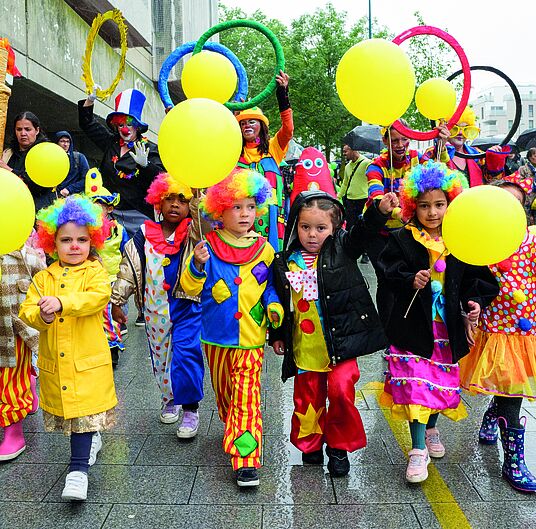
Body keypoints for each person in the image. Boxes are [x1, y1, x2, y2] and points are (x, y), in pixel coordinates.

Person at [378, 161, 498, 483]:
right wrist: (409, 278)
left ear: (451, 204)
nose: (432, 212)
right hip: (412, 327)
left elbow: (477, 278)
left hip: (447, 327)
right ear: (411, 205)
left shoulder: (459, 240)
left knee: (438, 383)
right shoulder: (402, 238)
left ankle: (431, 429)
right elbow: (387, 271)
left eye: (439, 204)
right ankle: (418, 450)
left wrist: (475, 302)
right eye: (424, 205)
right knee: (416, 385)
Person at [269, 190, 393, 476]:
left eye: (321, 228)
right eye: (305, 227)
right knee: (307, 398)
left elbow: (362, 232)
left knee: (341, 393)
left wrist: (378, 212)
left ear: (335, 229)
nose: (312, 234)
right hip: (305, 347)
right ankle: (310, 443)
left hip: (341, 344)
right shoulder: (285, 260)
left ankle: (338, 446)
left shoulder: (343, 250)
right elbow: (281, 302)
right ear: (295, 226)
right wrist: (277, 335)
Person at [180, 168, 283, 488]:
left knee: (247, 397)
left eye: (250, 206)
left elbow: (269, 286)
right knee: (226, 396)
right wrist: (197, 264)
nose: (245, 213)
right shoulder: (207, 246)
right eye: (237, 207)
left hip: (251, 336)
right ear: (220, 210)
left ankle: (246, 459)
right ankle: (232, 423)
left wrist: (274, 306)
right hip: (216, 337)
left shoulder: (265, 249)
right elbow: (189, 287)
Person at [19, 195, 117, 501]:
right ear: (52, 243)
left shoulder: (94, 272)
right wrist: (43, 316)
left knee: (82, 414)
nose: (75, 246)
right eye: (66, 240)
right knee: (76, 417)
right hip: (58, 364)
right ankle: (91, 442)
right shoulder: (43, 278)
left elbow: (96, 298)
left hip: (86, 362)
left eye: (82, 240)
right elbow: (27, 311)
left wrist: (63, 303)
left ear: (92, 241)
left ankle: (78, 471)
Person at [111, 173, 206, 433]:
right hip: (155, 309)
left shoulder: (194, 231)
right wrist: (117, 300)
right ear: (158, 202)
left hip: (187, 306)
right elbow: (128, 269)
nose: (175, 204)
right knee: (161, 359)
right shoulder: (143, 235)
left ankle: (190, 409)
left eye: (182, 200)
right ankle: (169, 399)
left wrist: (197, 193)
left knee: (186, 355)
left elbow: (203, 218)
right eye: (169, 199)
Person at [459, 178, 536, 493]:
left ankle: (493, 414)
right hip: (496, 332)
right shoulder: (480, 242)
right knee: (511, 393)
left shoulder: (531, 241)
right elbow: (466, 282)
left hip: (526, 333)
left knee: (510, 390)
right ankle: (513, 462)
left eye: (516, 203)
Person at [365, 122, 450, 323]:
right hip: (380, 233)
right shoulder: (375, 166)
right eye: (394, 140)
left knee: (410, 277)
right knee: (386, 279)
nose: (400, 144)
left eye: (404, 139)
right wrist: (398, 212)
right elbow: (376, 196)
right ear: (385, 141)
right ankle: (387, 329)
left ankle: (410, 324)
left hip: (407, 232)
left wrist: (442, 143)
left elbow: (439, 168)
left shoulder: (416, 158)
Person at [78, 86, 164, 238]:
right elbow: (88, 124)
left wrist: (146, 166)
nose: (125, 129)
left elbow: (161, 178)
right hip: (108, 211)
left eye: (129, 124)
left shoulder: (149, 149)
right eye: (121, 125)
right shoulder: (111, 143)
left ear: (137, 127)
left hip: (137, 214)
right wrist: (90, 100)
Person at [235, 70, 293, 251]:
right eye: (243, 123)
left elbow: (288, 129)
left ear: (261, 126)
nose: (247, 125)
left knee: (270, 257)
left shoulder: (273, 148)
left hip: (271, 219)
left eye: (252, 121)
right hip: (241, 217)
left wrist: (282, 95)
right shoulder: (234, 152)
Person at [0, 238, 46, 461]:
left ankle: (14, 432)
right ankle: (29, 383)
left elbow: (45, 283)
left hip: (14, 333)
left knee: (10, 380)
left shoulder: (27, 258)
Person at [86, 168, 128, 368]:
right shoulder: (85, 230)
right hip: (91, 278)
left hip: (113, 279)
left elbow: (126, 253)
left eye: (99, 205)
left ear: (109, 208)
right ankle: (99, 349)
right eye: (91, 206)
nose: (95, 210)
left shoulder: (119, 230)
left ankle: (112, 349)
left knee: (110, 314)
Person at [440, 106, 509, 187]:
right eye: (454, 128)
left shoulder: (477, 154)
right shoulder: (433, 152)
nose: (460, 133)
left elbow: (494, 183)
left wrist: (494, 164)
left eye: (465, 129)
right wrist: (440, 149)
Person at [0, 111, 52, 211]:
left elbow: (38, 186)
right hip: (10, 208)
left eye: (28, 129)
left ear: (37, 130)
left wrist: (9, 170)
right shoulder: (8, 153)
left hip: (38, 211)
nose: (23, 133)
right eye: (19, 129)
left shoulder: (45, 152)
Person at [338, 144, 371, 263]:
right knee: (350, 227)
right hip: (350, 201)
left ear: (353, 150)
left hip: (363, 200)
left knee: (364, 227)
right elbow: (345, 183)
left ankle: (365, 253)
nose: (344, 154)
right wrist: (338, 197)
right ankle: (350, 252)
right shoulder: (347, 166)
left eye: (345, 151)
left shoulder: (367, 163)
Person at [54, 131, 89, 198]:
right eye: (62, 141)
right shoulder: (50, 158)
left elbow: (86, 179)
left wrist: (69, 189)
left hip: (75, 197)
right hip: (55, 196)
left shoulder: (79, 157)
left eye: (68, 141)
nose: (65, 144)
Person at [518, 147, 536, 225]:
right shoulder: (523, 169)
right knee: (527, 220)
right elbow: (519, 182)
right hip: (528, 199)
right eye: (535, 156)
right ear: (530, 157)